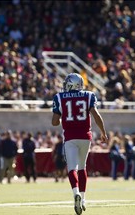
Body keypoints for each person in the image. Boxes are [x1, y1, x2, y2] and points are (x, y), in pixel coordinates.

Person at [51, 73, 108, 215]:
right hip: (85, 137)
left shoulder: (59, 97)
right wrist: (103, 132)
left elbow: (54, 122)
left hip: (70, 137)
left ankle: (75, 193)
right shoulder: (88, 96)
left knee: (72, 168)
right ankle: (83, 199)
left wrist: (60, 118)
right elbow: (95, 115)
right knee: (83, 167)